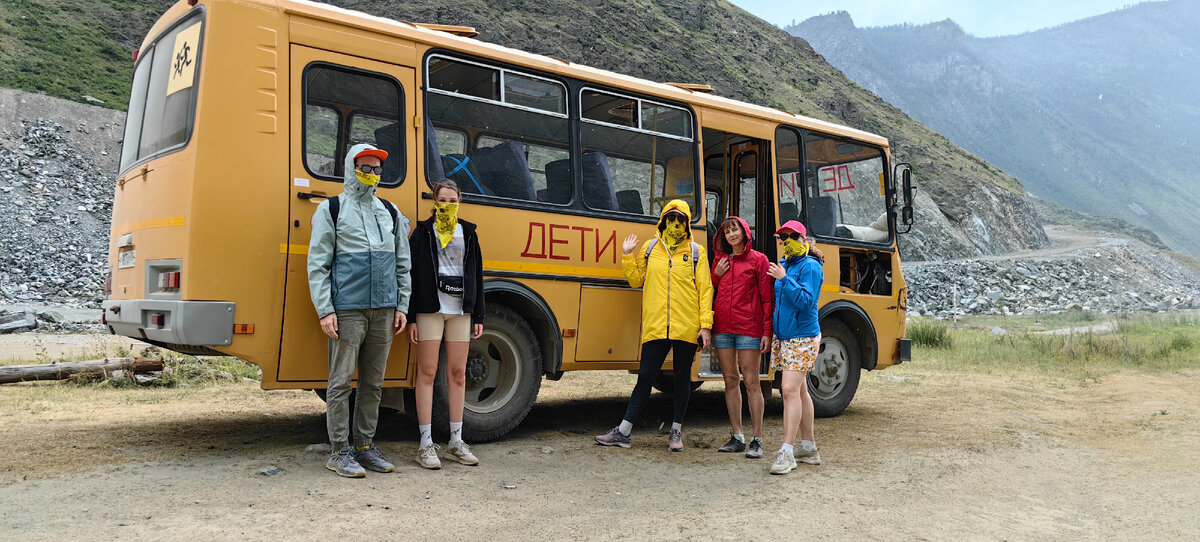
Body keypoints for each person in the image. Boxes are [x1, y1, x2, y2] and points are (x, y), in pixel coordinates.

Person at [307, 143, 411, 478]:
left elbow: (402, 264)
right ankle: (339, 451)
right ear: (352, 169)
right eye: (365, 167)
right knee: (339, 383)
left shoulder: (391, 212)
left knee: (373, 384)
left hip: (384, 311)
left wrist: (401, 305)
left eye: (377, 169)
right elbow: (317, 265)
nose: (371, 173)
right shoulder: (332, 209)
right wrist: (325, 310)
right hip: (348, 310)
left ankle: (365, 447)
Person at [595, 200, 714, 451]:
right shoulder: (650, 248)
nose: (675, 223)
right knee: (646, 377)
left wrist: (705, 325)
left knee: (682, 379)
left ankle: (676, 433)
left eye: (680, 219)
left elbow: (705, 289)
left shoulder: (695, 252)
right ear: (662, 220)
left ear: (687, 223)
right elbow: (636, 280)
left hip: (686, 326)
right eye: (670, 218)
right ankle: (624, 432)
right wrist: (628, 255)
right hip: (657, 326)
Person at [407, 178, 485, 469]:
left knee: (458, 373)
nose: (448, 205)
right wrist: (412, 316)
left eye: (453, 201)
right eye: (443, 201)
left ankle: (456, 441)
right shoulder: (423, 232)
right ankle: (426, 444)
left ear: (459, 202)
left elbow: (477, 273)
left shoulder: (469, 232)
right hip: (430, 310)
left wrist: (478, 315)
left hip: (460, 312)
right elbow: (412, 275)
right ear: (435, 202)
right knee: (427, 372)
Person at [710, 216, 774, 459]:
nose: (731, 234)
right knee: (729, 380)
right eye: (727, 231)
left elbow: (767, 298)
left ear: (745, 232)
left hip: (749, 328)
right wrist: (715, 275)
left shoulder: (758, 260)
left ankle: (757, 439)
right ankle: (737, 436)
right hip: (723, 328)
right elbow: (710, 290)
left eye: (735, 229)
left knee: (752, 382)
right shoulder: (720, 260)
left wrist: (767, 331)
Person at [766, 220, 825, 475]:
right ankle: (809, 448)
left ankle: (787, 452)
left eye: (791, 236)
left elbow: (806, 302)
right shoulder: (786, 264)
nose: (786, 241)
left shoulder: (810, 266)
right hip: (786, 336)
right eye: (782, 237)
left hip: (802, 337)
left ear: (804, 239)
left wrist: (784, 278)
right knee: (799, 391)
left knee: (788, 389)